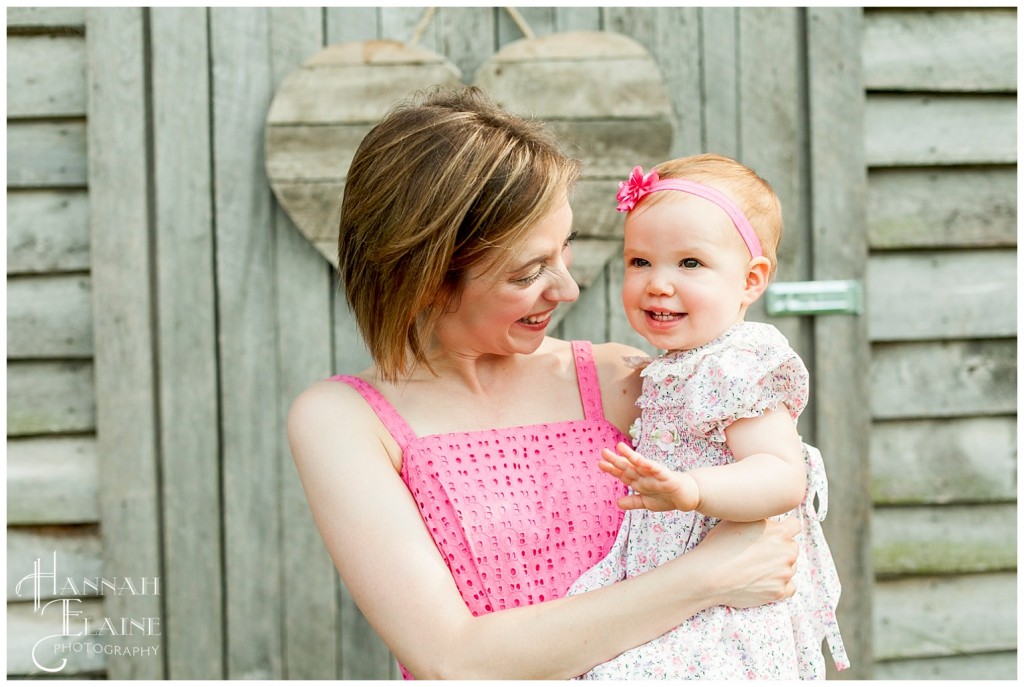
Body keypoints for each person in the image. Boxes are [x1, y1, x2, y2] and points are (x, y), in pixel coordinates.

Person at [286, 86, 801, 680]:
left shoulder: (622, 379)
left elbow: (772, 520)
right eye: (528, 272)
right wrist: (710, 577)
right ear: (425, 278)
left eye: (565, 250)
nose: (566, 290)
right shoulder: (345, 421)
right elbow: (453, 659)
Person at [567, 155, 849, 679]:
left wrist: (693, 489)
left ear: (750, 280)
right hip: (673, 582)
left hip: (728, 603)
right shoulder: (677, 366)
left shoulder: (735, 363)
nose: (657, 283)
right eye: (640, 262)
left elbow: (783, 474)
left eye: (689, 264)